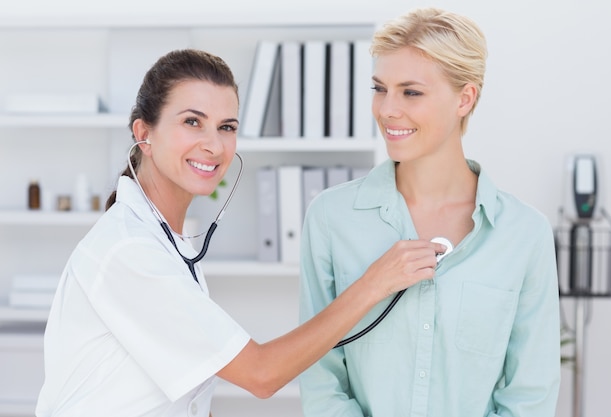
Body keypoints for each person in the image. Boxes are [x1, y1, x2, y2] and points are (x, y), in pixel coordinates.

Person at [35, 49, 445, 417]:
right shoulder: (129, 251)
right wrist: (374, 283)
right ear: (143, 134)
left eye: (227, 127)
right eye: (192, 122)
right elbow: (262, 374)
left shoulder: (167, 245)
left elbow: (180, 392)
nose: (213, 145)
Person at [298, 7, 561, 417]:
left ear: (465, 98)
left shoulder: (524, 233)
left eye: (411, 91)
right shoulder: (331, 218)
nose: (387, 109)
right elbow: (320, 376)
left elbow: (530, 394)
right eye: (379, 88)